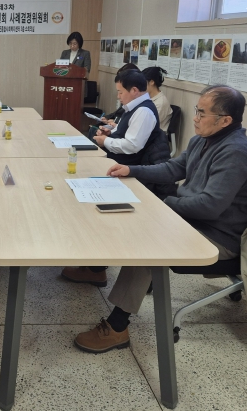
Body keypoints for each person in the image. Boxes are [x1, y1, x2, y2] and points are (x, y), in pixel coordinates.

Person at [73, 85, 247, 354]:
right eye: (196, 110)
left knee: (151, 244)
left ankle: (117, 327)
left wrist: (163, 205)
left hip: (217, 235)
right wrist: (131, 170)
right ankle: (96, 269)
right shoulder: (203, 140)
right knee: (131, 221)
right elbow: (174, 168)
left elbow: (210, 206)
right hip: (192, 219)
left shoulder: (235, 152)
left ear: (225, 120)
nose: (195, 118)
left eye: (202, 113)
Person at [63, 69, 172, 287]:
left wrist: (106, 142)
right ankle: (92, 262)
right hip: (120, 165)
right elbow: (127, 136)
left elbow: (132, 146)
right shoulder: (133, 108)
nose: (118, 96)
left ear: (134, 90)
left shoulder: (144, 111)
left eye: (121, 92)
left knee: (90, 198)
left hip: (131, 171)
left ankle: (96, 270)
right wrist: (110, 133)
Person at [142, 66, 172, 132]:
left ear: (152, 82)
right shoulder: (147, 98)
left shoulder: (161, 102)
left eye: (143, 82)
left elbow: (148, 125)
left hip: (153, 135)